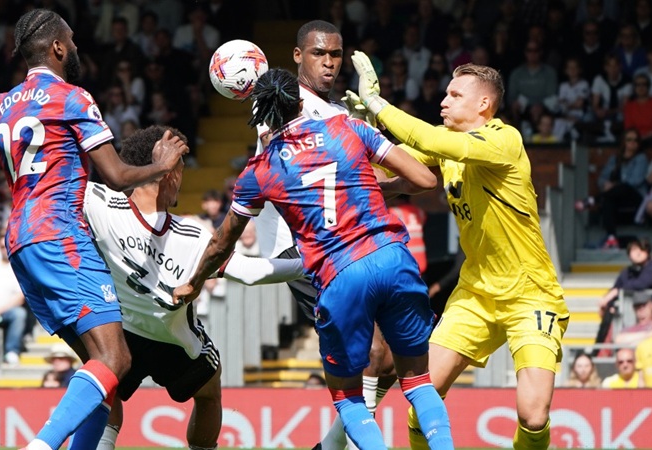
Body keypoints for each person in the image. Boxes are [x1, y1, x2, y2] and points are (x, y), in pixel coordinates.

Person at [174, 68, 453, 450]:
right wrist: (370, 188)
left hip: (339, 274)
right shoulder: (347, 127)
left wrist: (194, 281)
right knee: (418, 382)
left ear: (263, 117)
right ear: (300, 100)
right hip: (392, 257)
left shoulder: (261, 170)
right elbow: (423, 180)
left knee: (349, 398)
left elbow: (222, 243)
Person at [0, 9, 187, 450]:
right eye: (72, 41)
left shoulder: (0, 104)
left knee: (104, 373)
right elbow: (114, 175)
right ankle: (41, 445)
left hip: (19, 241)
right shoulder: (73, 98)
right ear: (58, 47)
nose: (76, 48)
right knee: (115, 358)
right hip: (60, 234)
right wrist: (160, 165)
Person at [350, 54, 569, 450]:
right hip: (475, 293)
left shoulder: (505, 140)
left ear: (483, 104)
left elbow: (433, 141)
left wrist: (380, 106)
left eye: (455, 94)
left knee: (533, 415)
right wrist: (361, 133)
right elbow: (390, 170)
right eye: (445, 93)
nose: (443, 101)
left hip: (530, 294)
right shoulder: (447, 145)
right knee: (421, 394)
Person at [84, 125, 304, 450]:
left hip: (119, 331)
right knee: (209, 392)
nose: (182, 178)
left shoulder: (98, 204)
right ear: (168, 171)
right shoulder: (193, 235)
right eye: (182, 168)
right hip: (174, 340)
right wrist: (309, 264)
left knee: (106, 381)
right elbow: (248, 272)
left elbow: (56, 185)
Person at [254, 24, 401, 448]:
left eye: (336, 54)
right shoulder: (279, 101)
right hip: (299, 244)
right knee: (372, 353)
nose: (331, 63)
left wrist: (364, 118)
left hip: (342, 242)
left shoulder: (335, 109)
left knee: (389, 359)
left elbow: (363, 173)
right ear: (298, 56)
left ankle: (331, 446)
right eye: (320, 54)